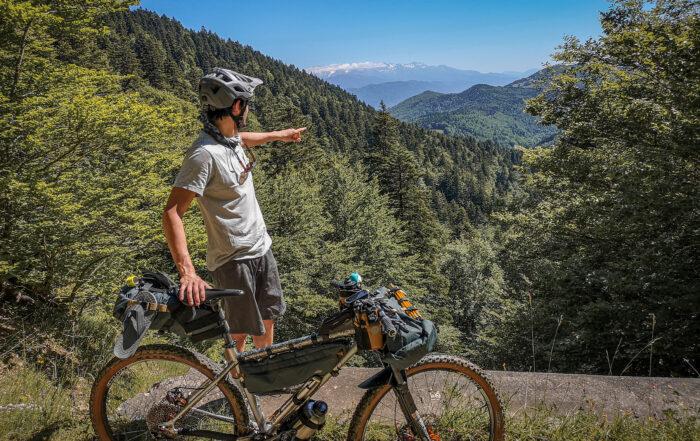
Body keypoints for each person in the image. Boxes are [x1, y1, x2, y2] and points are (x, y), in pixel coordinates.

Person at [162, 67, 306, 352]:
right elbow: (172, 213)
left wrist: (279, 135)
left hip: (262, 248)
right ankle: (234, 390)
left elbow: (244, 139)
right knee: (238, 334)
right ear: (238, 106)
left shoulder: (228, 138)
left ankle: (260, 379)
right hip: (233, 259)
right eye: (247, 104)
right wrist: (187, 272)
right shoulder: (203, 155)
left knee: (267, 321)